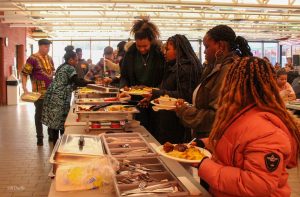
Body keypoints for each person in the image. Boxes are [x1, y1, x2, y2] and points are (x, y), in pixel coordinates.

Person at [195, 56, 300, 197]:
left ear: (237, 84)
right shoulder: (246, 113)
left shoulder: (266, 132)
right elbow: (236, 143)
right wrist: (205, 143)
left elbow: (258, 184)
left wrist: (204, 165)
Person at [176, 25, 253, 138]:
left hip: (215, 139)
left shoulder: (228, 70)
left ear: (221, 46)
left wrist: (185, 112)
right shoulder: (217, 67)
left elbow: (217, 116)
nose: (204, 52)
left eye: (207, 47)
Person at [140, 34, 202, 143]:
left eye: (168, 49)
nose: (165, 52)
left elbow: (184, 95)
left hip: (177, 125)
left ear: (178, 50)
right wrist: (152, 97)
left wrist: (156, 93)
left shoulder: (187, 69)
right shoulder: (174, 66)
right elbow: (167, 88)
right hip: (169, 121)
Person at [120, 19, 165, 133]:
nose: (142, 49)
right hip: (135, 100)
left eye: (145, 46)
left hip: (155, 100)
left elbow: (164, 77)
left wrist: (155, 92)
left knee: (154, 130)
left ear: (151, 41)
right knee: (137, 129)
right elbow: (124, 75)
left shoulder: (159, 54)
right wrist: (124, 88)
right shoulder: (130, 53)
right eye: (139, 46)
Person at [42, 46, 93, 145]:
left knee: (55, 120)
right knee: (59, 119)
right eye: (76, 60)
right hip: (59, 95)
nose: (77, 62)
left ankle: (57, 142)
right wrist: (91, 83)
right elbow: (77, 81)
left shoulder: (62, 66)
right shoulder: (69, 68)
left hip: (53, 93)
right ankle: (59, 143)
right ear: (70, 60)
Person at [21, 39, 55, 146]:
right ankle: (39, 137)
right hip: (38, 93)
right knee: (39, 115)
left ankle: (51, 135)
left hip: (51, 92)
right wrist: (24, 87)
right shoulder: (32, 58)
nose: (47, 48)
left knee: (51, 114)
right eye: (45, 46)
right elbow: (24, 73)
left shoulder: (49, 58)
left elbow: (52, 72)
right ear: (40, 46)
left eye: (48, 47)